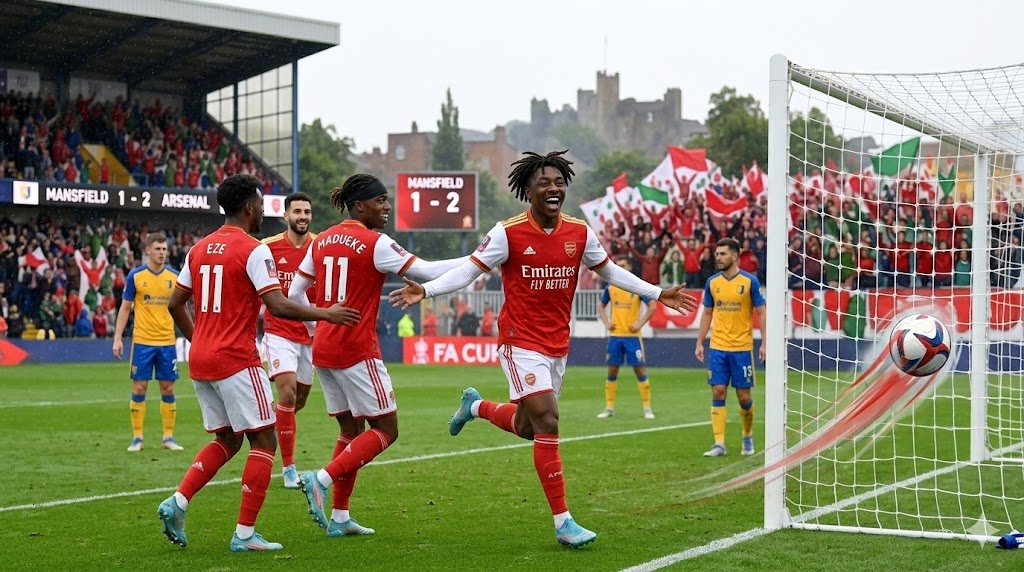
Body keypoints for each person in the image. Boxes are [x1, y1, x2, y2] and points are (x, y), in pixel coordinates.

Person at [389, 151, 698, 548]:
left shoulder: (579, 232)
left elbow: (609, 271)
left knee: (527, 428)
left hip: (557, 344)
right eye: (544, 183)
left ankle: (476, 407)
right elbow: (468, 271)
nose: (553, 189)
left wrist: (657, 293)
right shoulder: (507, 233)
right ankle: (564, 522)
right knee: (548, 421)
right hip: (520, 342)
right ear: (528, 191)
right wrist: (427, 290)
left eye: (558, 182)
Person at [157, 174, 360, 553]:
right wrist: (327, 314)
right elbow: (279, 305)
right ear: (249, 207)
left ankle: (178, 501)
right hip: (236, 358)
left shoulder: (198, 249)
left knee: (227, 439)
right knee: (263, 440)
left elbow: (175, 304)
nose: (263, 211)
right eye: (261, 204)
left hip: (201, 358)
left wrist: (199, 338)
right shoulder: (254, 249)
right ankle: (246, 534)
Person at [288, 174, 467, 538]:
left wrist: (316, 327)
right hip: (356, 349)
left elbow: (295, 291)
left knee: (350, 430)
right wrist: (483, 257)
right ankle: (320, 479)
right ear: (359, 206)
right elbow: (428, 270)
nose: (387, 207)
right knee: (386, 430)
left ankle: (339, 516)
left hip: (324, 348)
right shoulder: (375, 242)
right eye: (380, 201)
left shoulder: (320, 240)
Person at [260, 192, 316, 489]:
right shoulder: (267, 247)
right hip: (278, 330)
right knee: (288, 393)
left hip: (310, 333)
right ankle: (289, 468)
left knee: (299, 400)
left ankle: (269, 421)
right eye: (297, 212)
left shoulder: (319, 246)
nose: (303, 216)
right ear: (286, 216)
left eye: (307, 212)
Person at [694, 237, 767, 458]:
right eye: (717, 254)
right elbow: (707, 313)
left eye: (723, 254)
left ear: (735, 256)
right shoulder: (712, 283)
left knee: (744, 397)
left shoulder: (750, 282)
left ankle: (747, 434)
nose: (718, 257)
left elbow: (761, 312)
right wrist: (699, 341)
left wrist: (764, 342)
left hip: (742, 348)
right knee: (718, 391)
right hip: (718, 347)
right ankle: (719, 443)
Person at [112, 232, 183, 452]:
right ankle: (137, 438)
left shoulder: (174, 277)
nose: (162, 252)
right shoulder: (136, 276)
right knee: (140, 387)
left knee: (168, 388)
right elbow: (125, 308)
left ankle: (168, 437)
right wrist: (117, 338)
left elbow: (183, 307)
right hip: (142, 341)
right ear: (148, 250)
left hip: (167, 341)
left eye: (164, 249)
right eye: (158, 249)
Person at [596, 258, 658, 420]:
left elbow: (652, 305)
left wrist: (640, 323)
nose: (620, 267)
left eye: (623, 265)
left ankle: (647, 408)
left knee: (640, 371)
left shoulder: (636, 287)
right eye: (618, 265)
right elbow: (600, 306)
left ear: (629, 267)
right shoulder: (611, 288)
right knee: (612, 370)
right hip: (615, 336)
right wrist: (606, 322)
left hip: (632, 337)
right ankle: (609, 408)